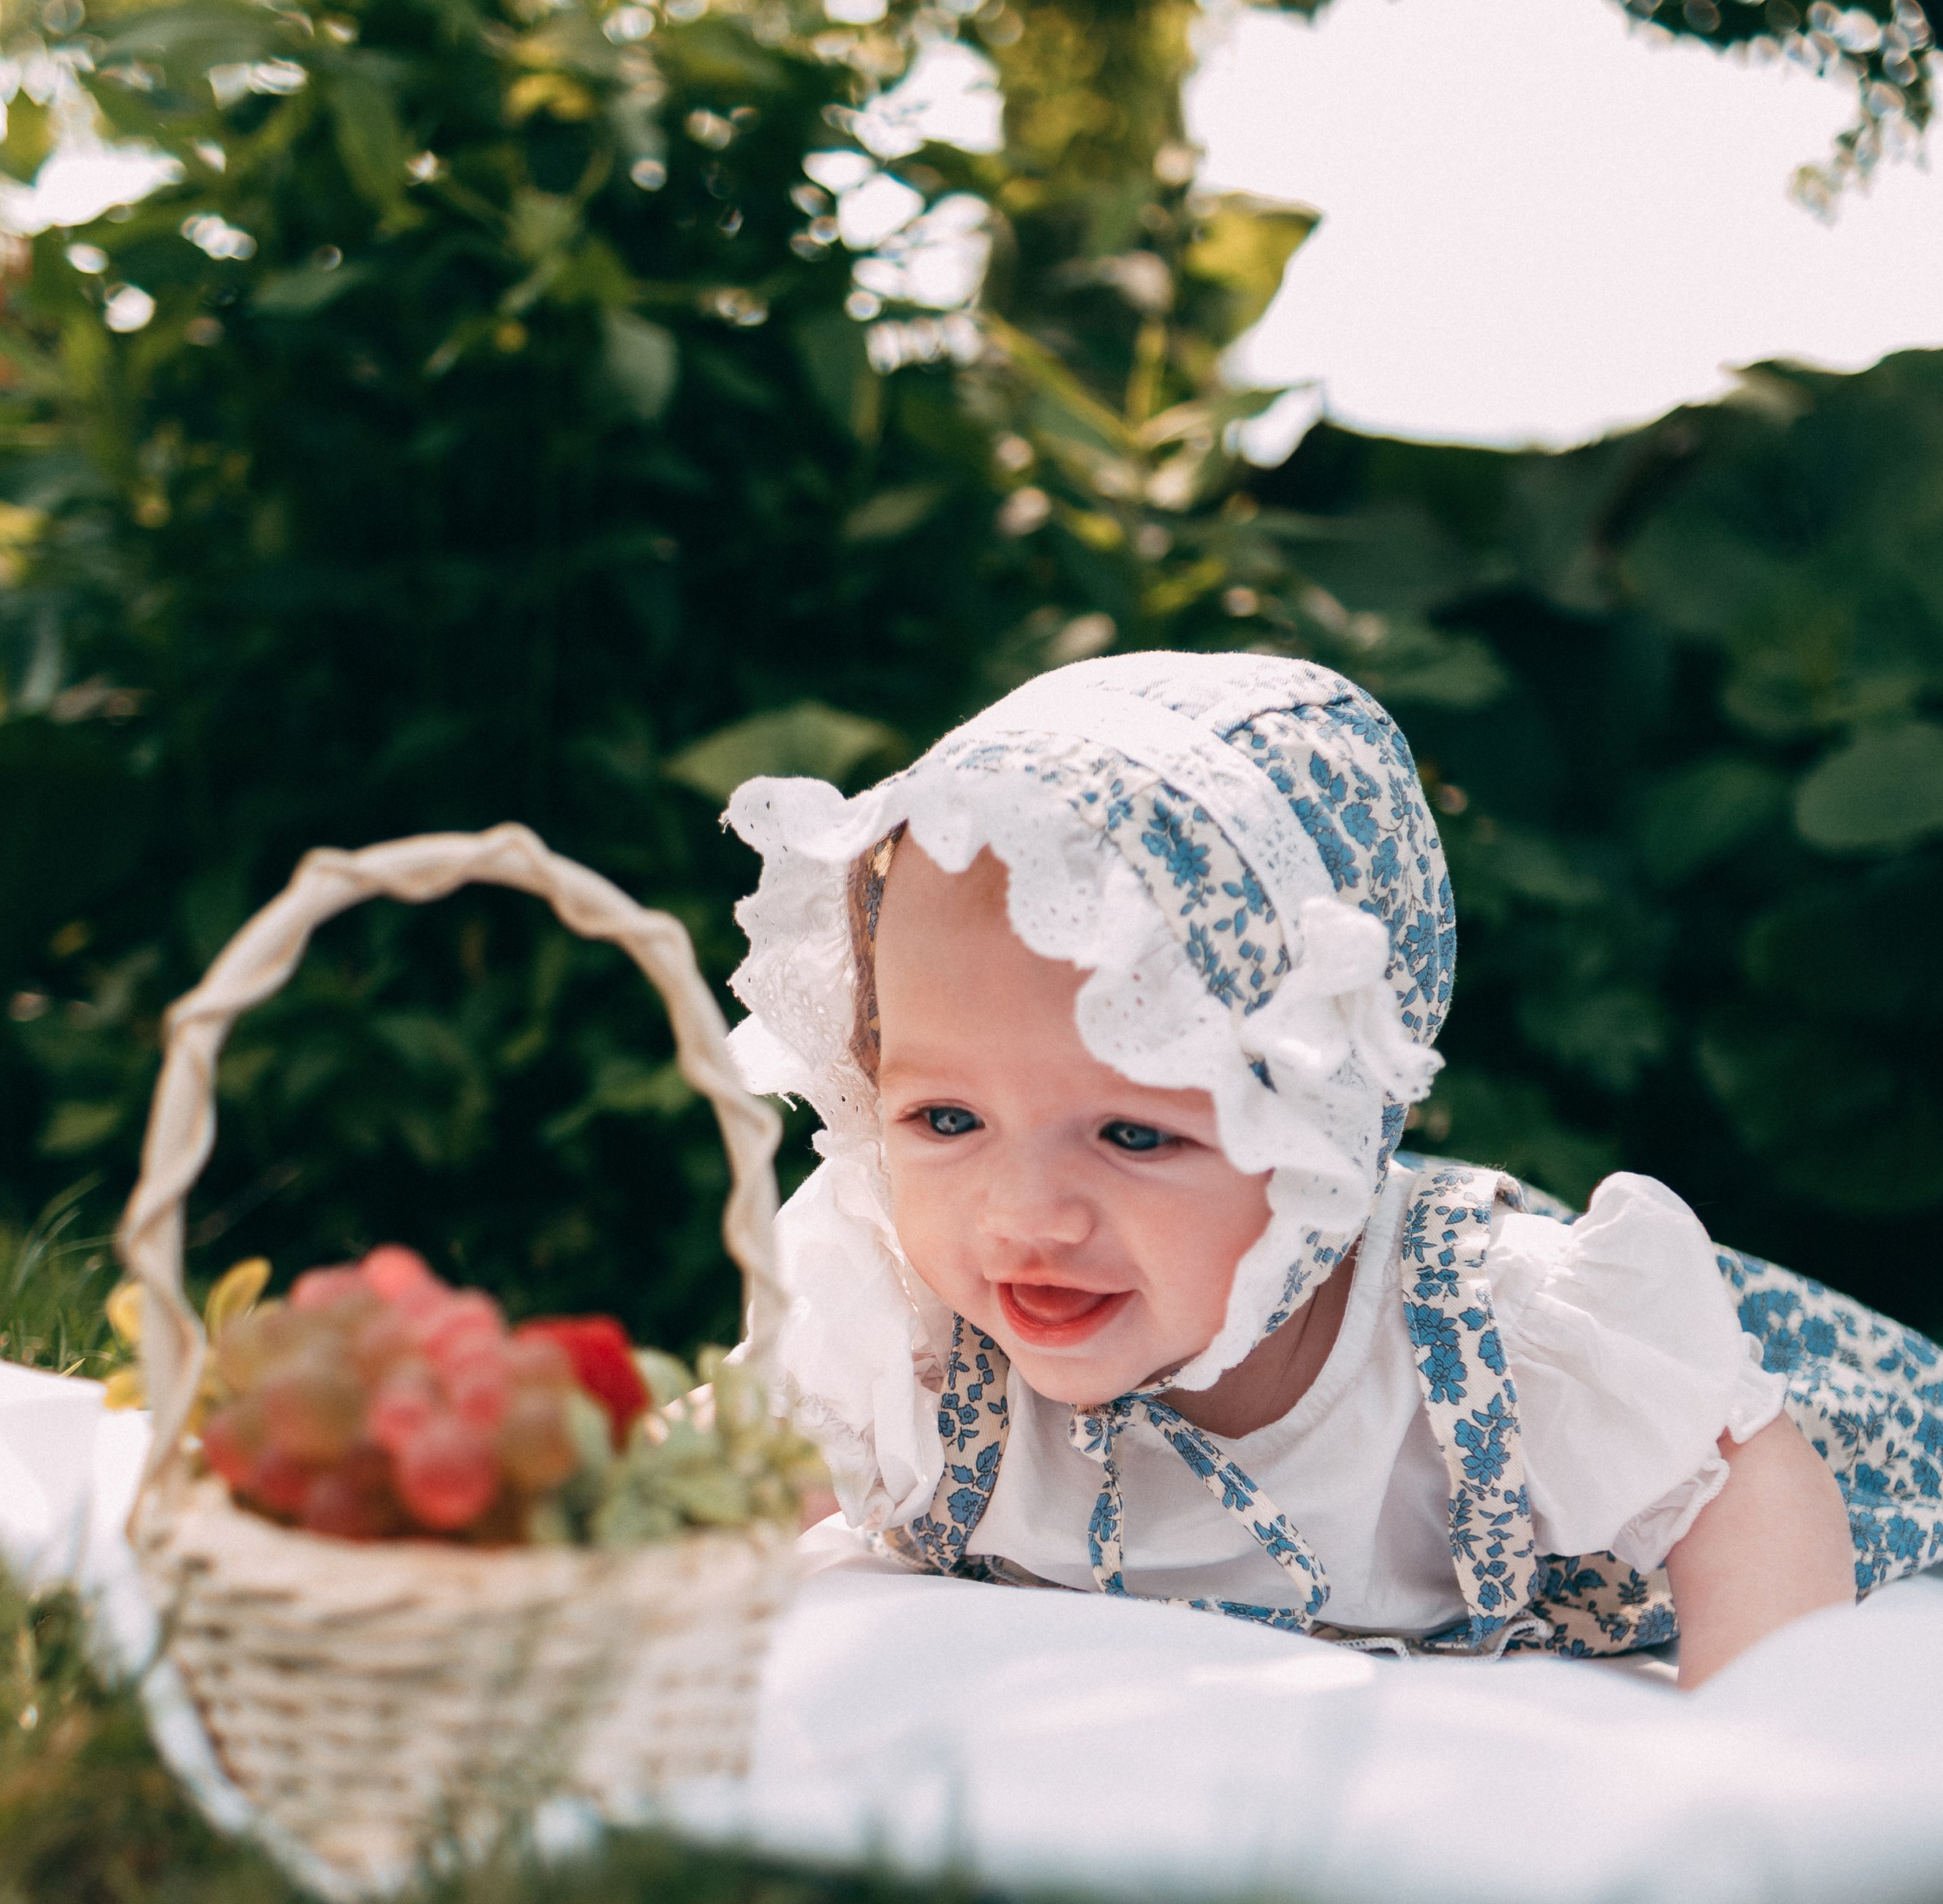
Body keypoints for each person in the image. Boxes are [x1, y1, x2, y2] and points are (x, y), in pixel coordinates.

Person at [723, 653, 1941, 1687]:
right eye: (944, 1119)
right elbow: (725, 1473)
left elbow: (1734, 1467)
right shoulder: (903, 1326)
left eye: (1135, 1135)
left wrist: (1761, 1754)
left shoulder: (1487, 1331)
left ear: (1317, 1127)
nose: (1023, 1216)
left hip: (1833, 1429)